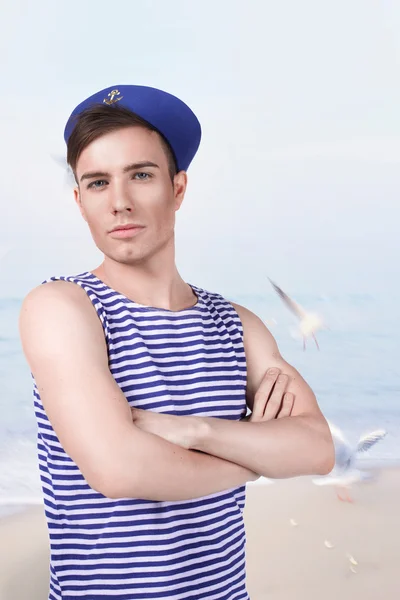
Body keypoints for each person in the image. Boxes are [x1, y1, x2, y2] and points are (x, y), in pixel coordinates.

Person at [19, 84, 334, 600]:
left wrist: (195, 430)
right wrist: (258, 459)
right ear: (79, 201)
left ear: (178, 188)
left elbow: (318, 448)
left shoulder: (237, 324)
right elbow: (120, 469)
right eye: (97, 183)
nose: (119, 203)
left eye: (140, 175)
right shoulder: (63, 307)